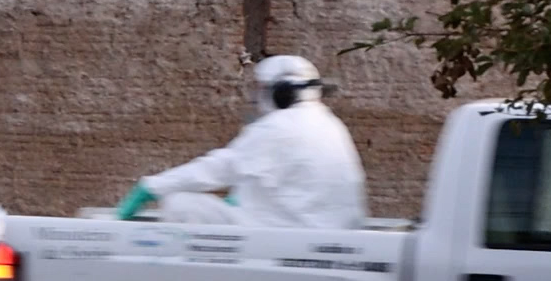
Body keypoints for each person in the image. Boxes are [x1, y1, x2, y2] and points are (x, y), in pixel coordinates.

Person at [117, 55, 368, 228]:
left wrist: (151, 188)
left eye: (262, 89)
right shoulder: (329, 123)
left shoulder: (278, 126)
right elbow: (272, 175)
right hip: (317, 227)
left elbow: (220, 168)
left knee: (179, 203)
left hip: (288, 234)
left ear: (280, 93)